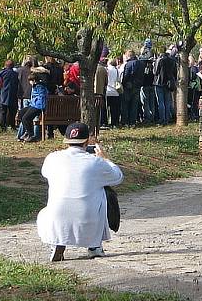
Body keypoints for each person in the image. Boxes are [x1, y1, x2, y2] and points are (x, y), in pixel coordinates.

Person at [37, 122, 124, 262]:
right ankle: (95, 245)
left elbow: (45, 173)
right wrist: (105, 159)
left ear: (66, 141)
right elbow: (118, 177)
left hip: (57, 218)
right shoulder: (95, 162)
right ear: (87, 141)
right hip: (88, 219)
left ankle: (58, 242)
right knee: (102, 192)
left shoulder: (52, 158)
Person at [18, 67, 50, 141]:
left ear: (34, 80)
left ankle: (31, 135)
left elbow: (41, 97)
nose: (29, 83)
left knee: (25, 118)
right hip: (33, 105)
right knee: (22, 112)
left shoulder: (39, 86)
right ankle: (27, 131)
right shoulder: (36, 86)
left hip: (38, 106)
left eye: (30, 81)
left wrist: (38, 105)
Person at [153, 48, 177, 125]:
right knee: (167, 102)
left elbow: (155, 72)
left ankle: (162, 119)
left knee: (161, 102)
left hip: (159, 83)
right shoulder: (172, 60)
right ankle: (167, 118)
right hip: (168, 83)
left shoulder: (159, 60)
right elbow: (175, 73)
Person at [0, 60, 19, 132]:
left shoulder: (2, 73)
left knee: (2, 111)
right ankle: (12, 125)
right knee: (12, 111)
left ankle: (3, 126)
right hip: (13, 94)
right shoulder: (15, 74)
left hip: (4, 94)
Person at [105, 58, 121, 128]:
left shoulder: (107, 69)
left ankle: (106, 121)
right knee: (114, 109)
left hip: (108, 91)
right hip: (115, 91)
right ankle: (114, 122)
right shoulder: (116, 70)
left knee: (106, 108)